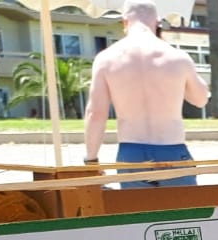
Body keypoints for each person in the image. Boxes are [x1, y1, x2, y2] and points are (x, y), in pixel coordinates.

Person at [83, 0, 208, 187]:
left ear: (124, 22)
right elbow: (200, 99)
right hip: (172, 149)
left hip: (131, 153)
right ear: (157, 22)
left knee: (137, 206)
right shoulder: (178, 57)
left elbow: (96, 114)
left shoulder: (106, 59)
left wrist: (91, 160)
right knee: (184, 205)